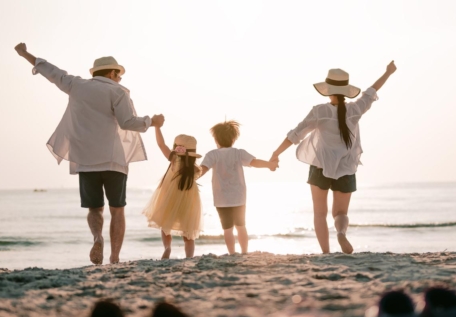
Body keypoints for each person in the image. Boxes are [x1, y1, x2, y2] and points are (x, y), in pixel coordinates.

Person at [14, 43, 164, 265]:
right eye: (119, 75)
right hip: (113, 160)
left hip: (85, 160)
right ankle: (114, 257)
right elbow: (127, 122)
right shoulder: (117, 92)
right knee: (117, 210)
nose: (120, 79)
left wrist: (25, 54)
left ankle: (97, 237)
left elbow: (51, 72)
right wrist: (151, 121)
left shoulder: (76, 85)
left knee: (95, 208)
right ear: (112, 73)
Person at [270, 61, 397, 254]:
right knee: (341, 213)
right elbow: (371, 91)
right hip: (346, 167)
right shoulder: (355, 109)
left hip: (320, 166)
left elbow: (295, 134)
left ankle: (326, 253)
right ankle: (341, 233)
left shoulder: (320, 111)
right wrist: (388, 72)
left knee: (320, 214)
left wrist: (276, 154)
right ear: (345, 91)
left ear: (328, 90)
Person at [199, 120, 278, 255]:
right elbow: (255, 162)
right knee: (241, 226)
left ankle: (232, 253)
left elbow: (202, 170)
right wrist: (270, 165)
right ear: (233, 139)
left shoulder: (212, 154)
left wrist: (189, 177)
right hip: (239, 197)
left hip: (221, 198)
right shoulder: (239, 153)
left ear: (216, 139)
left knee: (227, 228)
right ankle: (244, 252)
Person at [142, 122, 203, 259]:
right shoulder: (194, 168)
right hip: (189, 200)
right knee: (188, 231)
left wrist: (157, 127)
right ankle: (189, 257)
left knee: (165, 223)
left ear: (177, 149)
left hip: (170, 196)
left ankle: (168, 248)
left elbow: (161, 144)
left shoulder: (174, 159)